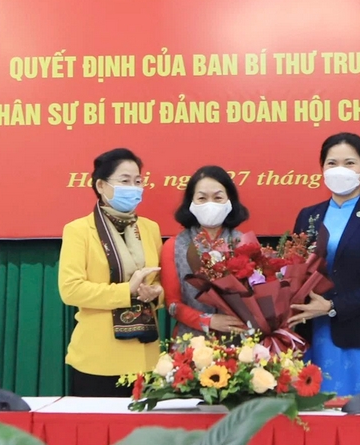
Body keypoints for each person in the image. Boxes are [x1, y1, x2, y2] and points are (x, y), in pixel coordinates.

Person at [288, 132, 360, 395]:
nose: (340, 169)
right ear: (322, 169)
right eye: (332, 163)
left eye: (349, 163)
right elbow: (293, 271)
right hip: (312, 334)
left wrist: (332, 307)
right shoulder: (308, 216)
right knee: (317, 412)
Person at [58, 148, 163, 397]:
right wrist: (127, 291)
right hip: (98, 359)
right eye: (125, 181)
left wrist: (155, 292)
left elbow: (161, 282)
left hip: (145, 358)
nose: (133, 188)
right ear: (101, 185)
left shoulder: (150, 229)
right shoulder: (79, 230)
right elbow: (71, 290)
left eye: (138, 181)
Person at [160, 166, 249, 337]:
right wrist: (208, 320)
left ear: (230, 200)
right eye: (202, 198)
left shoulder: (245, 244)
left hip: (240, 339)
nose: (210, 204)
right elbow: (172, 303)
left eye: (218, 197)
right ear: (191, 202)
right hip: (190, 341)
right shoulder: (174, 245)